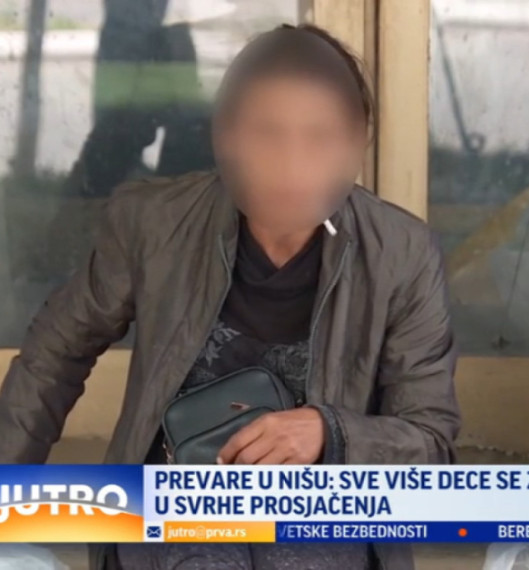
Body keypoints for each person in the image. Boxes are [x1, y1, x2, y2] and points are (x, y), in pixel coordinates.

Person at [0, 24, 460, 570]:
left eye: (320, 137)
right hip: (173, 504)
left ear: (358, 142)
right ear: (225, 137)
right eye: (266, 133)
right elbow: (56, 353)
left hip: (321, 516)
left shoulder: (402, 254)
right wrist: (7, 493)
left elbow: (430, 442)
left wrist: (330, 433)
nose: (292, 164)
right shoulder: (154, 224)